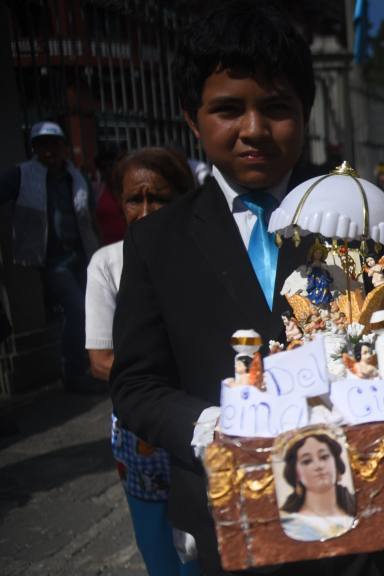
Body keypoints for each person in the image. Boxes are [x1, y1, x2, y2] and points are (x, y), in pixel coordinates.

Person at [109, 3, 384, 574]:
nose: (253, 130)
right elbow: (137, 383)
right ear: (192, 120)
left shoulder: (363, 213)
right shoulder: (157, 242)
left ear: (306, 111)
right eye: (227, 110)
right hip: (240, 524)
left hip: (376, 519)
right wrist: (211, 429)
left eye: (275, 109)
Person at [84, 147, 199, 576]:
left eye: (161, 199)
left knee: (210, 543)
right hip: (144, 432)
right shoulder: (108, 264)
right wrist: (159, 386)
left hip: (204, 419)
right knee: (160, 547)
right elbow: (100, 360)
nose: (147, 210)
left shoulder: (201, 257)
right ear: (120, 202)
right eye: (136, 199)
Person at [0, 121, 100, 393]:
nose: (50, 151)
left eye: (55, 144)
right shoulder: (22, 175)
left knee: (87, 311)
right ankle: (74, 372)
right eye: (42, 145)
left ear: (65, 147)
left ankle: (91, 366)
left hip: (80, 254)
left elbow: (89, 213)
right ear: (33, 148)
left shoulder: (75, 176)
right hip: (52, 259)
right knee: (76, 307)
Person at [279, 433, 357, 541]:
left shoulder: (355, 512)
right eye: (307, 461)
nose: (318, 466)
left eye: (324, 457)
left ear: (336, 463)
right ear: (296, 474)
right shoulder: (292, 524)